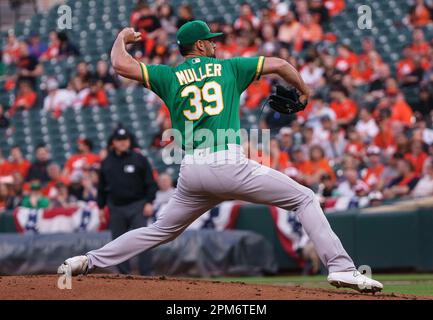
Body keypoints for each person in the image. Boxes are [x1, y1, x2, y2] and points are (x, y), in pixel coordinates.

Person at [58, 21, 383, 293]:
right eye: (210, 41)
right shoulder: (230, 68)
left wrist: (120, 39)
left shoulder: (168, 76)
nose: (215, 45)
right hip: (227, 163)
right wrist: (303, 91)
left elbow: (119, 64)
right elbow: (281, 66)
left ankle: (86, 260)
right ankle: (342, 268)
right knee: (305, 198)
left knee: (160, 230)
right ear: (199, 45)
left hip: (191, 172)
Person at [96, 127, 158, 275]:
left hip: (137, 205)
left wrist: (149, 202)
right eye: (119, 140)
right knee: (118, 243)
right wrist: (100, 207)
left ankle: (147, 273)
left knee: (144, 241)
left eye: (125, 140)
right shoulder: (107, 162)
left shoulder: (139, 159)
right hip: (116, 207)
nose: (123, 143)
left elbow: (150, 182)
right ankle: (124, 276)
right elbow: (102, 187)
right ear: (113, 142)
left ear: (129, 141)